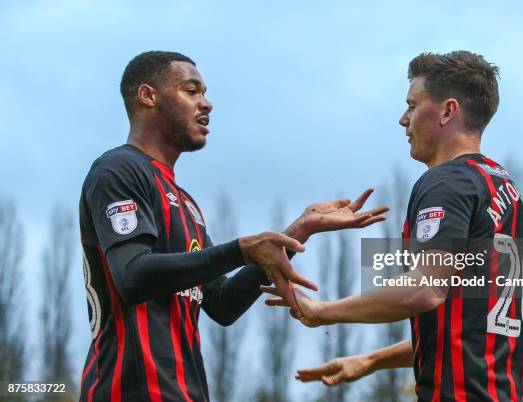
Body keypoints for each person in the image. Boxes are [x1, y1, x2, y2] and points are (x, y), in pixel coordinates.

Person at [78, 50, 388, 402]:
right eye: (191, 91)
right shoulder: (117, 171)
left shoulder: (187, 206)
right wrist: (240, 248)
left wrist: (298, 231)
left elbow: (222, 304)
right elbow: (132, 277)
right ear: (149, 96)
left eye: (204, 93)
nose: (206, 103)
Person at [263, 51, 523, 401]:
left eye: (412, 105)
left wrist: (322, 311)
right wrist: (372, 360)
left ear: (448, 111)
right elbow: (468, 327)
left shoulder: (446, 182)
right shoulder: (501, 187)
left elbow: (424, 290)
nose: (403, 119)